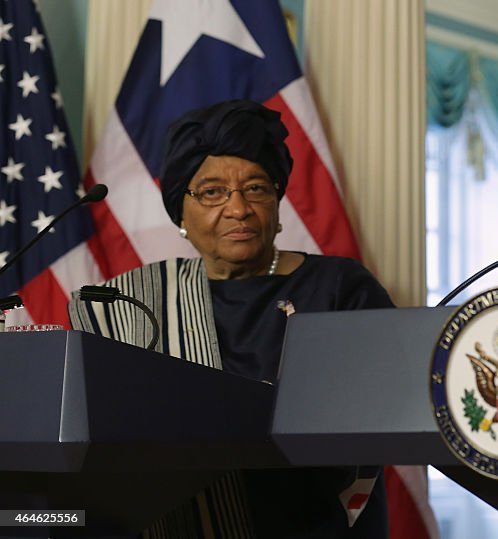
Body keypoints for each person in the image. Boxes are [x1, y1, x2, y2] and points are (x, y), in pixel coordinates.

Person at [69, 100, 390, 538]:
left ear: (277, 201)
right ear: (181, 213)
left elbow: (380, 417)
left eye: (255, 188)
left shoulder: (340, 288)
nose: (238, 208)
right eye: (212, 191)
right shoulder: (130, 303)